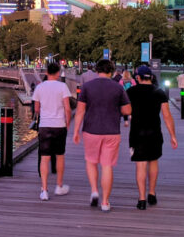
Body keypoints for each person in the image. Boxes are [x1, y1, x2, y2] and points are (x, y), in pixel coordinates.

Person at [73, 58, 131, 212]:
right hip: (111, 131)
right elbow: (127, 110)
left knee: (91, 162)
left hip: (91, 130)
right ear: (111, 71)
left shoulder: (87, 87)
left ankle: (94, 191)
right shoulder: (118, 88)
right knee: (107, 166)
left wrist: (76, 131)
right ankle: (105, 202)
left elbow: (80, 111)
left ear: (97, 70)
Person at [126, 65, 178, 210]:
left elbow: (126, 110)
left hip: (137, 132)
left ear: (138, 77)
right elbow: (167, 116)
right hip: (154, 132)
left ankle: (141, 199)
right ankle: (152, 193)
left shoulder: (131, 91)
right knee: (153, 162)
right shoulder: (159, 92)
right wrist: (172, 135)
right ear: (151, 77)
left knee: (140, 165)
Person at [32, 62, 73, 201]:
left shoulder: (40, 87)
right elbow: (67, 108)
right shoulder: (62, 86)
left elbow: (36, 108)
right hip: (59, 125)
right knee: (60, 156)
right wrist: (67, 123)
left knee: (45, 157)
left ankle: (44, 190)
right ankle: (59, 186)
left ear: (46, 72)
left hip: (45, 125)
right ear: (58, 73)